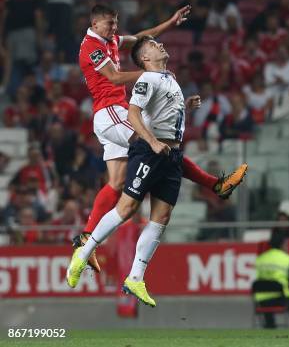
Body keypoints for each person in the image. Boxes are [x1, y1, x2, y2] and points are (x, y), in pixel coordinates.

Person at [75, 4, 248, 272]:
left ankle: (85, 240)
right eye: (110, 24)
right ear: (95, 23)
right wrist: (152, 74)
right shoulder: (92, 47)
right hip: (110, 111)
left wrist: (170, 21)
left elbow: (142, 37)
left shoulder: (109, 40)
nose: (115, 28)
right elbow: (114, 76)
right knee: (154, 143)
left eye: (116, 23)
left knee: (117, 181)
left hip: (112, 113)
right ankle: (216, 185)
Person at [67, 37, 212, 306]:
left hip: (171, 155)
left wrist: (185, 106)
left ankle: (135, 278)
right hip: (149, 151)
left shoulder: (169, 78)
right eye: (154, 45)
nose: (160, 45)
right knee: (128, 208)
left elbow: (164, 114)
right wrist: (153, 142)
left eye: (159, 43)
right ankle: (84, 252)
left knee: (162, 217)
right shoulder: (148, 79)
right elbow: (133, 114)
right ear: (144, 58)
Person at [253, 232, 289, 329]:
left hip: (261, 301)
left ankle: (270, 325)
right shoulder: (287, 259)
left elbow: (261, 280)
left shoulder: (260, 259)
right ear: (282, 244)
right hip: (282, 300)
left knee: (268, 292)